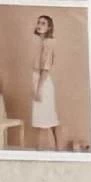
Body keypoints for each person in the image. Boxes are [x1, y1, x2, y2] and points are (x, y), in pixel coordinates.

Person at [29, 15, 59, 149]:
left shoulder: (48, 43)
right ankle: (47, 149)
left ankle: (53, 149)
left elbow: (45, 69)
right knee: (44, 118)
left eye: (43, 23)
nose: (39, 25)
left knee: (46, 119)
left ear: (49, 27)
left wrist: (38, 89)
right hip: (37, 80)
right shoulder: (41, 42)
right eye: (38, 22)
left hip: (43, 82)